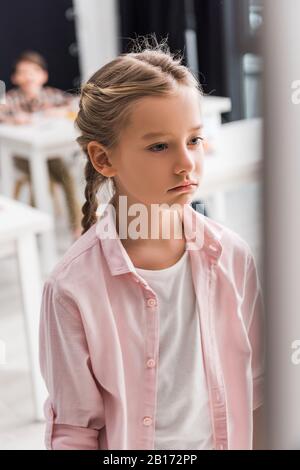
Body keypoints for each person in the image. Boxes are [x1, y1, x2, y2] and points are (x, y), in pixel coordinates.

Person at [39, 37, 265, 450]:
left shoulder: (233, 256)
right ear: (103, 159)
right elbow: (74, 430)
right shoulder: (71, 287)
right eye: (159, 146)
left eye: (194, 140)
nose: (186, 163)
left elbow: (259, 391)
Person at [0, 50, 81, 238]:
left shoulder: (50, 94)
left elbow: (75, 104)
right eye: (23, 72)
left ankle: (77, 225)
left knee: (66, 176)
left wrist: (60, 112)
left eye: (34, 71)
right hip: (21, 156)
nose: (29, 77)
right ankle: (36, 225)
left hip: (49, 153)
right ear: (15, 77)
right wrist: (14, 119)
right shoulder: (11, 98)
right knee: (44, 179)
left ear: (43, 75)